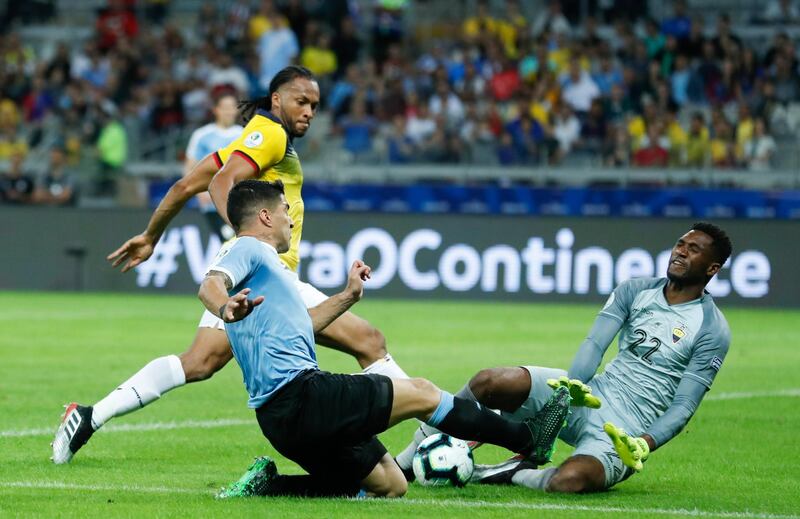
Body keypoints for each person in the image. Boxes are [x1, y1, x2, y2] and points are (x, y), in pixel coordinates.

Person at [51, 66, 409, 465]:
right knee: (369, 342)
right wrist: (249, 240)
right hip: (269, 274)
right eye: (301, 101)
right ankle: (429, 439)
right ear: (277, 100)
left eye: (314, 105)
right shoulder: (270, 135)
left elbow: (186, 186)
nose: (309, 111)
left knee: (200, 362)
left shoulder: (251, 142)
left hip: (252, 275)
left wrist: (152, 236)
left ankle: (88, 417)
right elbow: (222, 183)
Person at [201, 179, 573, 498]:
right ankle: (526, 439)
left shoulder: (270, 271)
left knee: (391, 484)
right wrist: (224, 309)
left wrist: (347, 296)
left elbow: (304, 325)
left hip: (280, 420)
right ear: (265, 216)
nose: (291, 217)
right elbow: (210, 285)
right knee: (424, 393)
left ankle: (272, 486)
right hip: (303, 397)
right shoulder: (247, 248)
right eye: (285, 209)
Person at [396, 222, 732, 493]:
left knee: (568, 481)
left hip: (625, 433)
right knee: (490, 381)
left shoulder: (712, 329)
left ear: (712, 268)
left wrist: (643, 443)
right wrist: (570, 388)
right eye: (680, 244)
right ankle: (406, 464)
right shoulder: (636, 290)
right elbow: (594, 345)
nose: (681, 252)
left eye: (694, 250)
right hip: (588, 396)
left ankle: (511, 473)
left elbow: (684, 406)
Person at [184, 90, 243, 240]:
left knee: (235, 243)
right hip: (211, 203)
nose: (229, 111)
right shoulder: (202, 135)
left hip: (238, 203)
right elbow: (190, 167)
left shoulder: (243, 135)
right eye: (225, 107)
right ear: (216, 110)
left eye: (232, 107)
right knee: (229, 241)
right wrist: (199, 192)